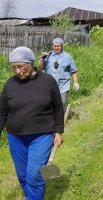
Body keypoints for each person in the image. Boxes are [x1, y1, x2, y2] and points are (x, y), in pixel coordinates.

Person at [0, 46, 64, 200]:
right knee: (22, 175)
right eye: (14, 67)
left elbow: (57, 107)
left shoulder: (47, 81)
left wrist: (59, 131)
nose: (17, 71)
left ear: (30, 63)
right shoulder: (10, 84)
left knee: (34, 174)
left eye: (20, 66)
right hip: (16, 137)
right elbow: (2, 112)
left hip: (41, 136)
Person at [38, 38, 79, 112]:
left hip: (63, 84)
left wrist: (75, 82)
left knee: (62, 103)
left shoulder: (67, 57)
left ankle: (61, 119)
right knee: (50, 102)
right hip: (49, 84)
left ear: (62, 46)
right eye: (55, 46)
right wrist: (42, 59)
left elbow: (73, 70)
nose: (56, 48)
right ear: (52, 47)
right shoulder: (48, 56)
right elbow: (41, 68)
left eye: (58, 46)